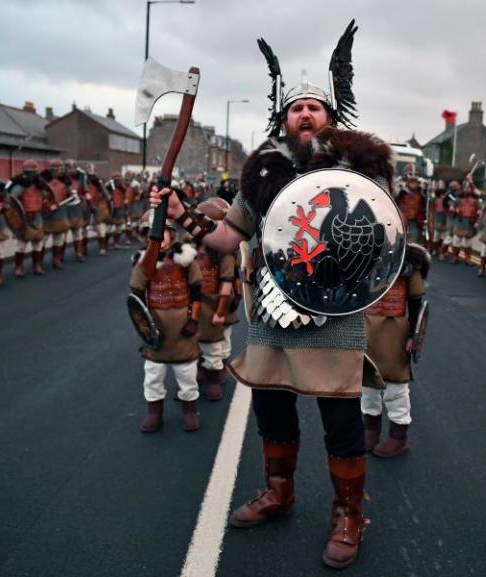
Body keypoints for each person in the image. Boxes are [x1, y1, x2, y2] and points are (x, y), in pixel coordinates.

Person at [149, 20, 386, 569]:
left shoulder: (358, 172)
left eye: (315, 108)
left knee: (341, 419)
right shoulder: (262, 174)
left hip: (334, 311)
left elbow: (382, 238)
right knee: (272, 410)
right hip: (273, 310)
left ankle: (350, 514)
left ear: (332, 118)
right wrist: (184, 212)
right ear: (284, 118)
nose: (305, 113)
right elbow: (226, 237)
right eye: (296, 107)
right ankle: (279, 493)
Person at [129, 211, 203, 432]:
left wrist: (194, 319)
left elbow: (196, 290)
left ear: (172, 233)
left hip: (181, 326)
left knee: (186, 372)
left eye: (162, 234)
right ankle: (154, 412)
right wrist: (146, 329)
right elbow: (136, 292)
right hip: (157, 327)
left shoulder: (186, 258)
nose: (158, 238)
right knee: (153, 373)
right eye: (153, 235)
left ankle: (190, 410)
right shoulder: (144, 261)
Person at [362, 243, 427, 457]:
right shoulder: (362, 252)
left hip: (394, 331)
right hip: (367, 326)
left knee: (395, 386)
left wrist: (412, 336)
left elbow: (417, 303)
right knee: (367, 383)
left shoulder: (409, 262)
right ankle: (370, 430)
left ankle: (399, 438)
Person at [193, 197, 239, 401]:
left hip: (219, 300)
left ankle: (217, 369)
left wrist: (223, 308)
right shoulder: (190, 249)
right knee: (193, 339)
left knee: (221, 339)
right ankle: (200, 368)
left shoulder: (225, 253)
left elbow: (229, 280)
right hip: (197, 300)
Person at [8, 160, 49, 277]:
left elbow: (45, 197)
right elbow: (12, 200)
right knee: (22, 244)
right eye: (28, 172)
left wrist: (46, 203)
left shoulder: (40, 185)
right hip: (24, 217)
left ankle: (37, 266)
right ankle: (18, 267)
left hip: (37, 216)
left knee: (38, 243)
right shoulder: (20, 186)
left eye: (33, 172)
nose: (31, 175)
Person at [42, 159, 70, 270]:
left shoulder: (65, 182)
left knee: (59, 238)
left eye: (59, 169)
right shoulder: (43, 182)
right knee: (42, 240)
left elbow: (69, 195)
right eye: (57, 169)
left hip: (60, 214)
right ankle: (39, 263)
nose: (58, 171)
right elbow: (41, 197)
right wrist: (47, 204)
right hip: (47, 214)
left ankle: (56, 260)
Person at [449, 176, 479, 264]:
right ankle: (455, 256)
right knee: (456, 242)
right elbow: (452, 207)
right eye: (465, 187)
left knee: (468, 243)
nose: (467, 189)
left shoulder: (475, 200)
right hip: (460, 222)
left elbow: (480, 212)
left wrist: (477, 222)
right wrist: (453, 209)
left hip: (470, 222)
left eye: (468, 188)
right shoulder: (458, 199)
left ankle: (468, 258)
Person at [397, 175, 424, 244]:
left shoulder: (421, 195)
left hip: (415, 222)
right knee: (401, 241)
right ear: (408, 183)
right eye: (411, 182)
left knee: (413, 242)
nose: (413, 184)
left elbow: (422, 209)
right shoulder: (401, 194)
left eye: (415, 183)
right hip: (403, 221)